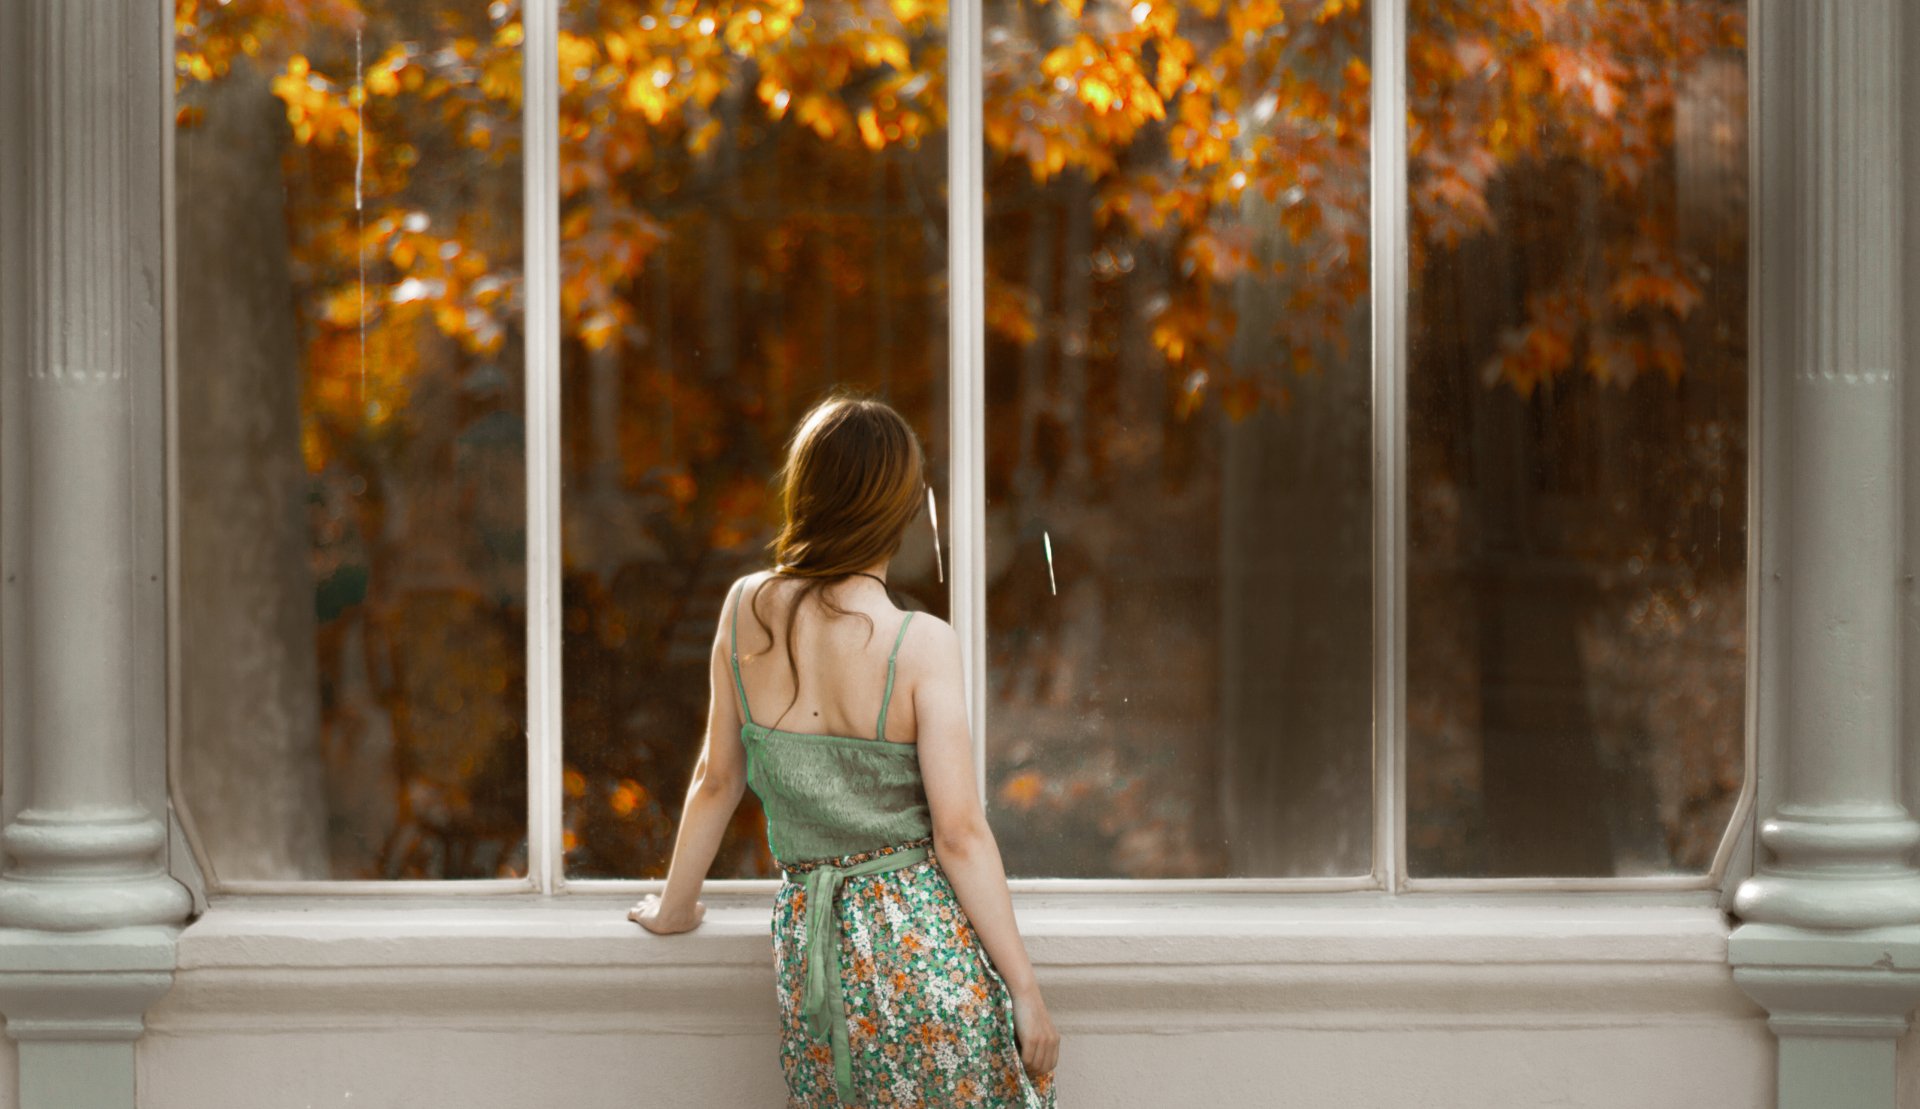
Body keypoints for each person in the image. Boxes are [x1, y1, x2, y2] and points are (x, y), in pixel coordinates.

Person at [627, 394, 1061, 1107]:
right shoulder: (922, 643)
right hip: (927, 958)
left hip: (814, 957)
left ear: (806, 496)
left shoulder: (745, 608)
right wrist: (1025, 989)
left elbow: (715, 779)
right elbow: (958, 834)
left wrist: (676, 907)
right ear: (898, 512)